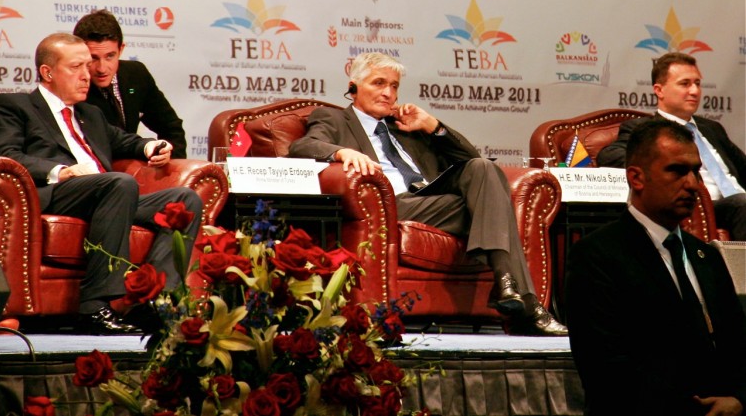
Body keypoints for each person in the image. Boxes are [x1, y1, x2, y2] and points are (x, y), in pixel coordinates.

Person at [288, 52, 567, 336]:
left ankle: (509, 286)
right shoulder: (334, 119)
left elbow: (473, 160)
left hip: (430, 198)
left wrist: (433, 126)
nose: (388, 93)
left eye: (394, 86)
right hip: (391, 204)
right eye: (378, 83)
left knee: (484, 172)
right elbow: (302, 147)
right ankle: (524, 302)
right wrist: (341, 151)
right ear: (354, 86)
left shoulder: (406, 126)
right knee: (495, 207)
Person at [0, 33, 203, 335]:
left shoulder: (90, 114)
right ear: (47, 73)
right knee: (118, 184)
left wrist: (151, 147)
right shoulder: (15, 107)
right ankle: (93, 306)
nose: (87, 75)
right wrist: (60, 171)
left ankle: (156, 304)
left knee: (183, 200)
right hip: (57, 194)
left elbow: (124, 141)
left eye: (88, 65)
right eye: (76, 67)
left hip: (108, 197)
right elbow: (7, 155)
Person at [566, 119, 746, 416]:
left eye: (695, 171)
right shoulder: (596, 255)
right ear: (636, 178)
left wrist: (738, 399)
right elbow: (604, 366)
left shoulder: (707, 256)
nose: (692, 184)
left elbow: (738, 346)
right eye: (676, 170)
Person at [597, 52, 746, 240]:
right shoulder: (646, 129)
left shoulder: (712, 128)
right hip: (703, 206)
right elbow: (609, 155)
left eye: (697, 84)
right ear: (659, 90)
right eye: (685, 84)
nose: (694, 91)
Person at [73, 9, 187, 158]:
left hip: (137, 167)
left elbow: (171, 127)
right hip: (99, 174)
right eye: (93, 58)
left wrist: (169, 162)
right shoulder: (73, 86)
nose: (102, 68)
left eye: (110, 56)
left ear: (121, 49)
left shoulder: (136, 74)